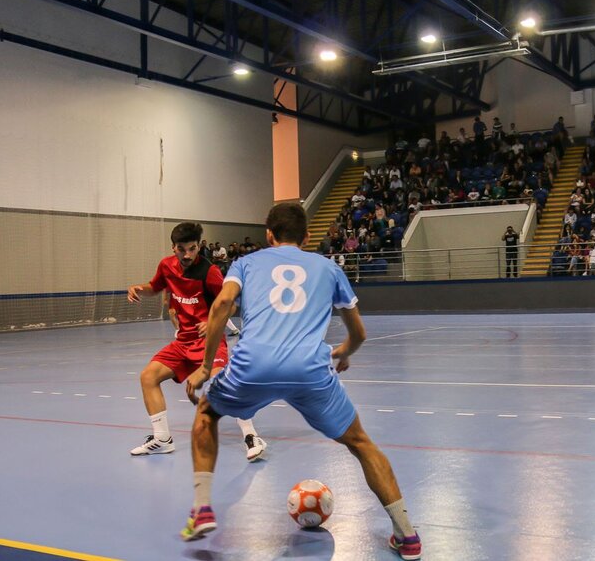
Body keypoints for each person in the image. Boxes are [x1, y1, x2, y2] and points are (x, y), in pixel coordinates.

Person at [180, 204, 422, 560]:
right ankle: (408, 536)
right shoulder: (329, 268)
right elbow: (359, 333)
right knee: (360, 443)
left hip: (253, 367)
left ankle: (201, 509)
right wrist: (342, 352)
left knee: (206, 413)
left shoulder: (245, 263)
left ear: (268, 235)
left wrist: (204, 367)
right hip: (310, 370)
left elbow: (220, 307)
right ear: (307, 237)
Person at [126, 222, 266, 460]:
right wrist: (138, 288)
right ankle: (162, 438)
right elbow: (155, 286)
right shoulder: (166, 266)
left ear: (199, 246)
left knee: (224, 383)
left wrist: (213, 322)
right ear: (174, 248)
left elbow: (230, 304)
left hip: (208, 341)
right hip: (182, 343)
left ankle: (251, 436)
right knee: (148, 376)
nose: (188, 255)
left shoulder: (209, 272)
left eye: (192, 248)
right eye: (182, 249)